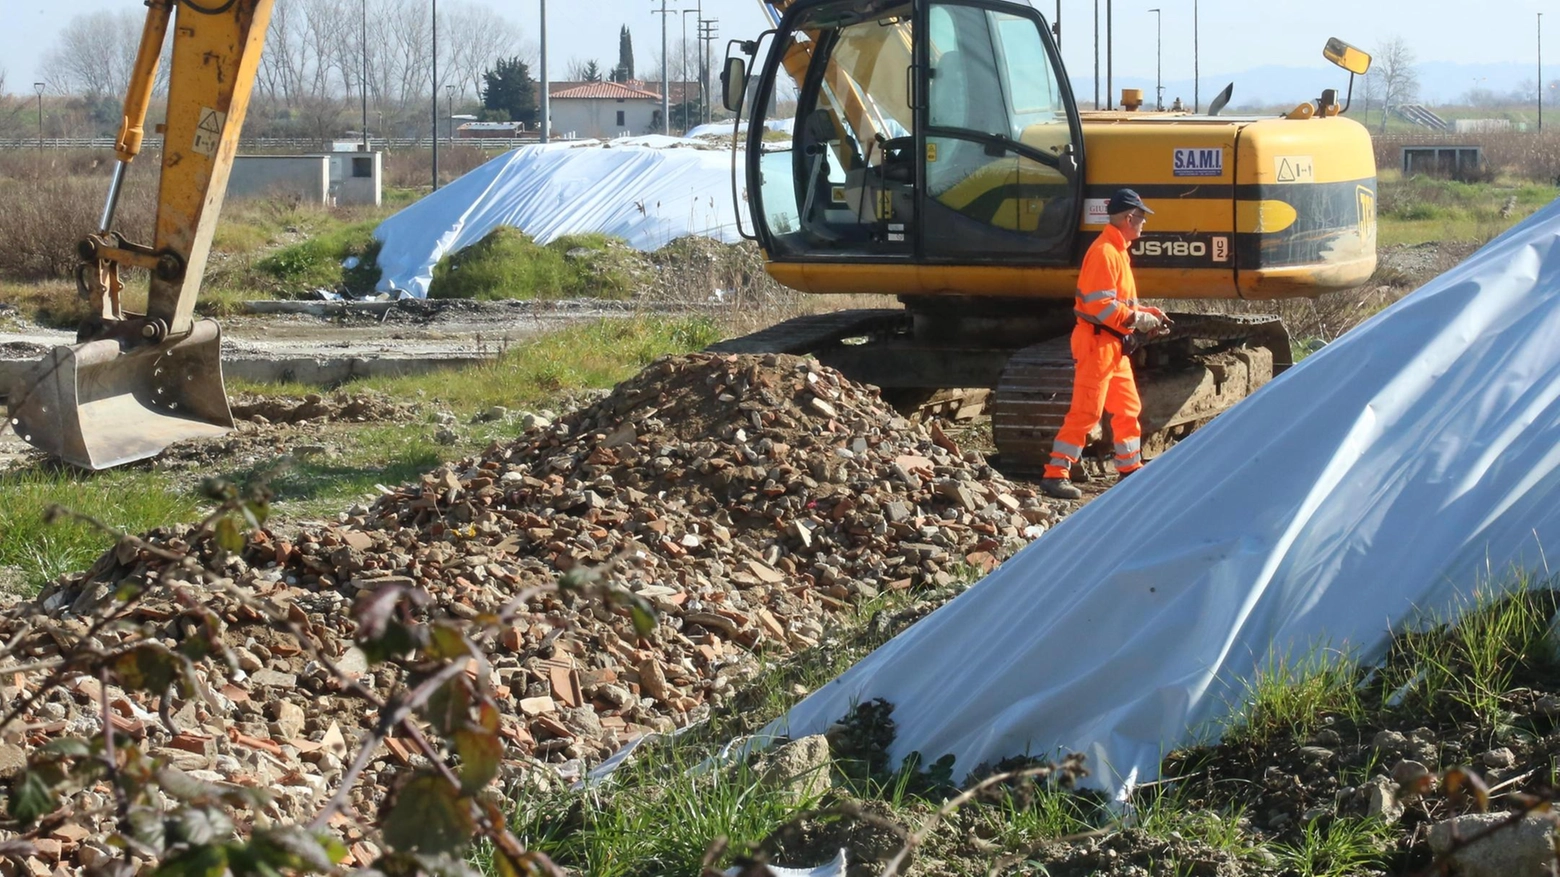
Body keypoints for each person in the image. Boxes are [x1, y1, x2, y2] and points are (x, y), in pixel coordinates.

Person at [1038, 188, 1169, 500]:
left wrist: (1145, 313)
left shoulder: (1116, 249)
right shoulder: (1106, 252)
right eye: (1140, 218)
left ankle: (1129, 469)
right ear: (1127, 218)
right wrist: (1137, 320)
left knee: (1128, 408)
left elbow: (1115, 302)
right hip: (1098, 344)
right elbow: (1102, 308)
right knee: (1086, 412)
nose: (1143, 224)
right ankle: (1055, 474)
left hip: (1113, 345)